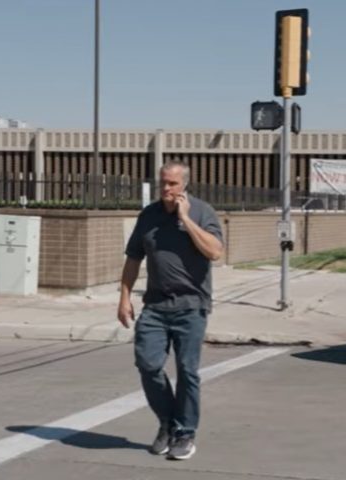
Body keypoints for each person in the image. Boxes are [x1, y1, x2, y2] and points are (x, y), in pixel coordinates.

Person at [117, 160, 224, 461]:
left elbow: (215, 252)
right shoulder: (148, 215)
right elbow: (133, 259)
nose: (166, 188)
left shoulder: (203, 212)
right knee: (148, 364)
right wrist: (124, 297)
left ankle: (185, 432)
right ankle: (167, 421)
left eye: (173, 184)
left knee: (188, 372)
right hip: (155, 305)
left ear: (184, 185)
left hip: (192, 306)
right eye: (163, 182)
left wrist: (186, 220)